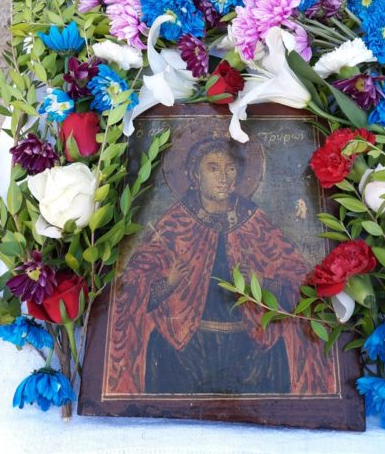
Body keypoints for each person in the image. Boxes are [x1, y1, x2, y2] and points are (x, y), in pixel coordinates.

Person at [105, 137, 337, 396]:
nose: (223, 177)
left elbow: (298, 284)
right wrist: (169, 283)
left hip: (252, 353)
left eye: (230, 168)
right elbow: (131, 291)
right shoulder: (175, 225)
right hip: (182, 354)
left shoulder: (257, 224)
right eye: (212, 168)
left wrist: (262, 282)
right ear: (195, 175)